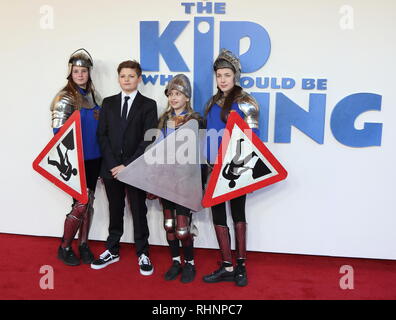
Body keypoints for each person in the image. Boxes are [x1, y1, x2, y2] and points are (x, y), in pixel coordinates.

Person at [92, 60, 158, 276]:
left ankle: (143, 252)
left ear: (139, 79)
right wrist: (113, 165)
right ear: (118, 78)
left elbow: (148, 139)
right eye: (123, 76)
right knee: (115, 208)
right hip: (111, 168)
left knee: (139, 210)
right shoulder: (109, 103)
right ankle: (112, 249)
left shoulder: (148, 105)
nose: (127, 79)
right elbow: (102, 136)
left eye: (131, 76)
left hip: (136, 168)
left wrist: (127, 166)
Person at [202, 49, 260, 287]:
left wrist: (246, 171)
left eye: (227, 74)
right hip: (213, 168)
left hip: (236, 170)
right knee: (217, 215)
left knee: (238, 214)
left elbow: (253, 140)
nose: (223, 79)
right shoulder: (211, 103)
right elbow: (208, 137)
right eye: (219, 75)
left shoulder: (246, 103)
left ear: (235, 76)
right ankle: (226, 265)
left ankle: (241, 266)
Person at [50, 48, 102, 266]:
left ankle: (83, 244)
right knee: (80, 203)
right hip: (76, 160)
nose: (80, 75)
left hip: (95, 157)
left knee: (88, 203)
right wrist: (72, 157)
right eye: (76, 71)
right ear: (70, 72)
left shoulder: (94, 96)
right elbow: (58, 132)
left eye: (84, 71)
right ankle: (64, 247)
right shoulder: (64, 97)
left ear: (89, 72)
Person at [154, 74, 203, 283]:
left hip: (185, 180)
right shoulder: (164, 119)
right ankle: (176, 261)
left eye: (178, 94)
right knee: (169, 224)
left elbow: (200, 153)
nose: (174, 98)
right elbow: (155, 149)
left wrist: (199, 183)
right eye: (171, 94)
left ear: (187, 97)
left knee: (183, 228)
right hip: (166, 179)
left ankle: (189, 264)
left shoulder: (196, 120)